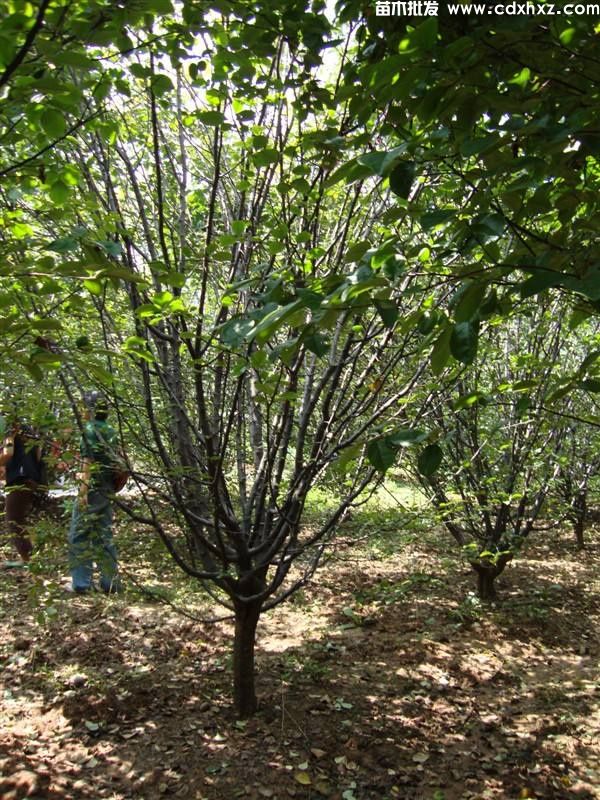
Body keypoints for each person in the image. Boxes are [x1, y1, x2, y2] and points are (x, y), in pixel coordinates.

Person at [68, 393, 122, 594]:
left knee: (79, 535)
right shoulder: (110, 430)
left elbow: (88, 462)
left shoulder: (89, 430)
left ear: (89, 409)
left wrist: (83, 492)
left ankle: (81, 584)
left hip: (92, 488)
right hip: (107, 488)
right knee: (104, 534)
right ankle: (110, 582)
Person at [0, 420, 46, 566]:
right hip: (32, 477)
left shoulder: (9, 426)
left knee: (13, 520)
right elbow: (38, 454)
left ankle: (29, 561)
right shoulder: (28, 429)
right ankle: (29, 558)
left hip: (20, 478)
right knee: (18, 519)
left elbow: (8, 452)